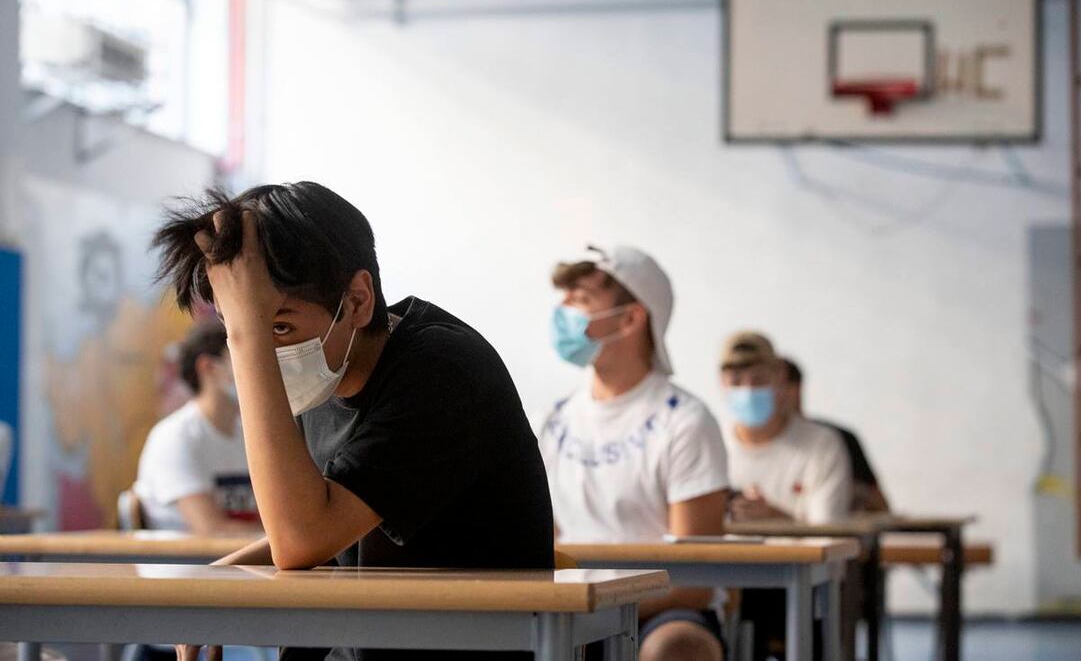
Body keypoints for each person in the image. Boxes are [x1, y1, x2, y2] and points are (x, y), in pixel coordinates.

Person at [152, 182, 554, 661]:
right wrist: (217, 580)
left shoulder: (444, 369)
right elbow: (319, 528)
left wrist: (246, 334)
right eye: (239, 325)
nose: (260, 351)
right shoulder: (328, 372)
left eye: (278, 326)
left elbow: (302, 539)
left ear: (358, 300)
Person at [539, 245, 729, 661]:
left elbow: (695, 580)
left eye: (582, 301)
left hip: (663, 610)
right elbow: (542, 544)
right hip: (571, 610)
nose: (563, 314)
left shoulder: (685, 421)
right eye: (564, 300)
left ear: (630, 319)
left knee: (679, 648)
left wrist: (598, 610)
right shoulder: (554, 421)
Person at [133, 321, 260, 533]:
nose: (259, 370)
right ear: (208, 368)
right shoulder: (174, 437)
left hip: (244, 563)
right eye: (244, 358)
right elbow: (211, 530)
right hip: (188, 565)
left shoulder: (250, 435)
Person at [718, 332, 852, 524]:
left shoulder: (822, 445)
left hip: (797, 555)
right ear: (722, 383)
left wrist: (773, 517)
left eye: (759, 380)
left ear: (779, 377)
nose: (748, 391)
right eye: (736, 381)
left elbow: (827, 537)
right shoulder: (711, 445)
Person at [777, 357, 890, 514]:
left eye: (778, 385)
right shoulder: (740, 445)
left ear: (795, 389)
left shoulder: (835, 439)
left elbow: (879, 504)